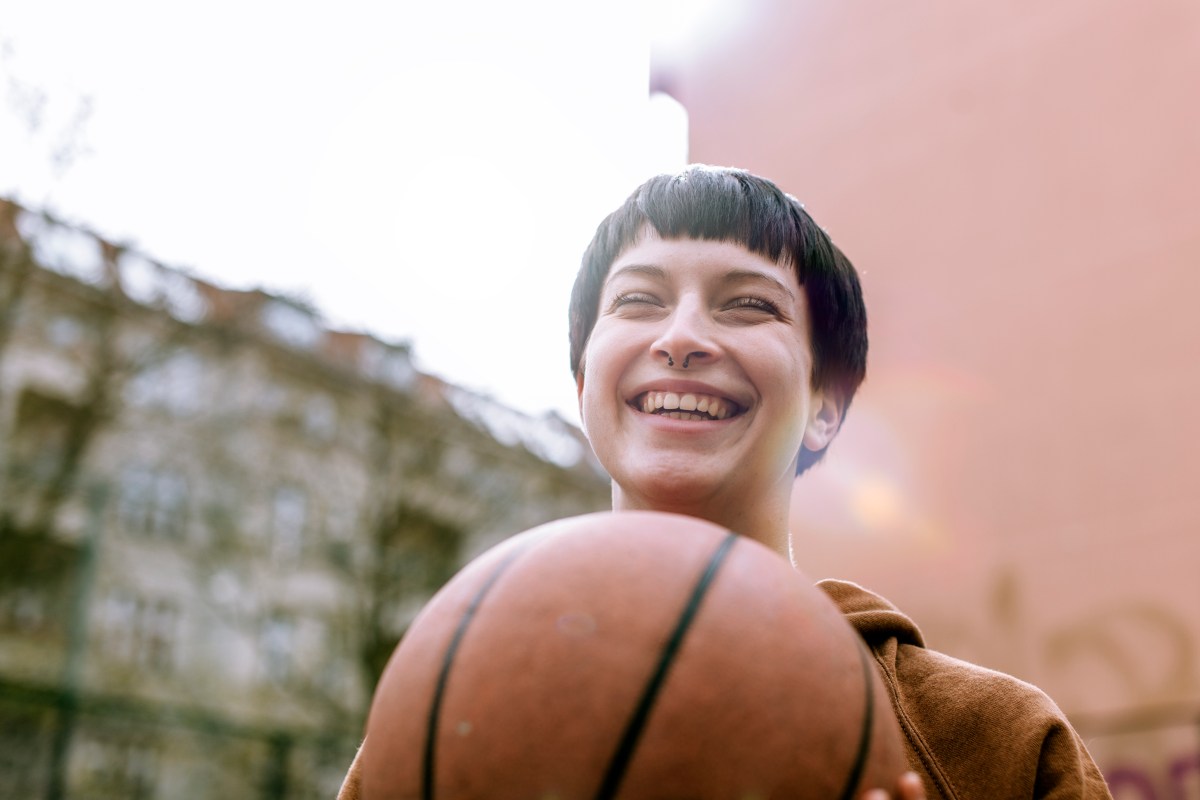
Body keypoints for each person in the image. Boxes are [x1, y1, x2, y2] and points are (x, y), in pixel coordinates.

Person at [337, 165, 1111, 799]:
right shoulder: (435, 720)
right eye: (639, 300)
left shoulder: (993, 743)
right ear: (583, 386)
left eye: (748, 305)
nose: (681, 338)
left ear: (823, 408)